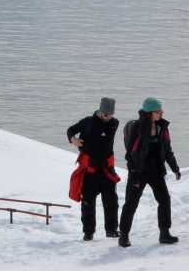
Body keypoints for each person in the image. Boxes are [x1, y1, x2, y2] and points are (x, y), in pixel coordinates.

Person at [118, 98, 181, 248]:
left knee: (164, 200)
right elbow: (130, 153)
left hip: (156, 171)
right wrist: (133, 171)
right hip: (138, 172)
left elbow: (167, 150)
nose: (162, 113)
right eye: (159, 111)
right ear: (150, 112)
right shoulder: (137, 128)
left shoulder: (162, 127)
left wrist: (175, 168)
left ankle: (164, 233)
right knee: (131, 204)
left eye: (161, 111)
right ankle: (124, 236)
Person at [66, 97, 121, 241]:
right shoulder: (88, 122)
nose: (107, 117)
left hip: (107, 170)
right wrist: (74, 140)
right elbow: (70, 130)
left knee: (111, 202)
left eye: (109, 114)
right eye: (104, 114)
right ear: (100, 111)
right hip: (90, 171)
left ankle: (112, 230)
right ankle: (88, 232)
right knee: (88, 202)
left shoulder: (114, 123)